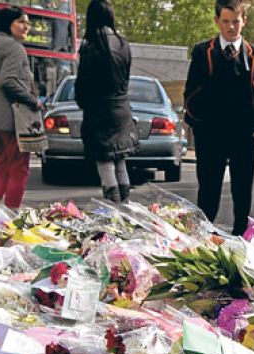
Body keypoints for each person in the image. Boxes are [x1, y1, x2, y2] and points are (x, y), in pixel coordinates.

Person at [184, 0, 254, 235]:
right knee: (209, 193)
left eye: (236, 21)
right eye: (226, 22)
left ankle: (241, 239)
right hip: (211, 135)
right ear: (217, 21)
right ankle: (204, 240)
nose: (231, 27)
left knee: (243, 195)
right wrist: (198, 125)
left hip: (245, 135)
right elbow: (191, 94)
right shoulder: (203, 52)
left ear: (244, 21)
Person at [0, 6, 41, 218]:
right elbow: (8, 81)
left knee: (5, 168)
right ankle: (11, 217)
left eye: (27, 23)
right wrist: (32, 101)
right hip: (11, 121)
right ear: (9, 24)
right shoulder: (14, 48)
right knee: (19, 170)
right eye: (21, 22)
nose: (26, 26)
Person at [75, 0, 138, 203]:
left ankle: (114, 206)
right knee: (120, 159)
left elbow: (82, 86)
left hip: (100, 111)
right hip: (122, 108)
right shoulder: (123, 44)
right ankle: (126, 205)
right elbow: (126, 79)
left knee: (104, 161)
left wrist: (83, 103)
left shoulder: (91, 47)